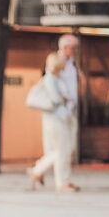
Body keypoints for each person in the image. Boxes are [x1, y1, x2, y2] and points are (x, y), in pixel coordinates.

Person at [27, 53, 80, 193]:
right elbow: (56, 99)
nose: (65, 64)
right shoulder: (50, 79)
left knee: (63, 150)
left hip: (62, 118)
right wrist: (64, 98)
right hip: (55, 119)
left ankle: (38, 171)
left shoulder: (58, 78)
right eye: (63, 62)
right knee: (61, 151)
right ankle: (61, 183)